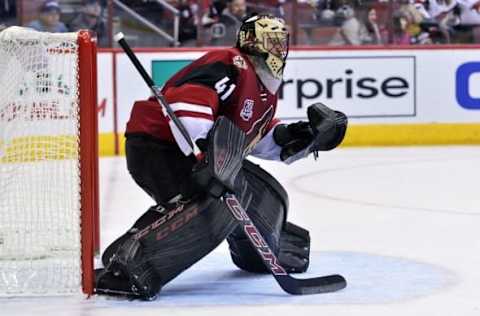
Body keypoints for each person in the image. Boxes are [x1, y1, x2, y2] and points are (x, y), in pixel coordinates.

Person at [95, 14, 347, 300]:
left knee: (260, 191)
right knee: (222, 198)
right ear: (250, 41)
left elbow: (255, 140)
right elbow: (187, 100)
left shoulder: (265, 89)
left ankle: (266, 250)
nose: (279, 48)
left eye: (282, 41)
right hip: (160, 147)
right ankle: (129, 263)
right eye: (271, 40)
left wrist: (302, 137)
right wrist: (207, 154)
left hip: (198, 155)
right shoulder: (230, 61)